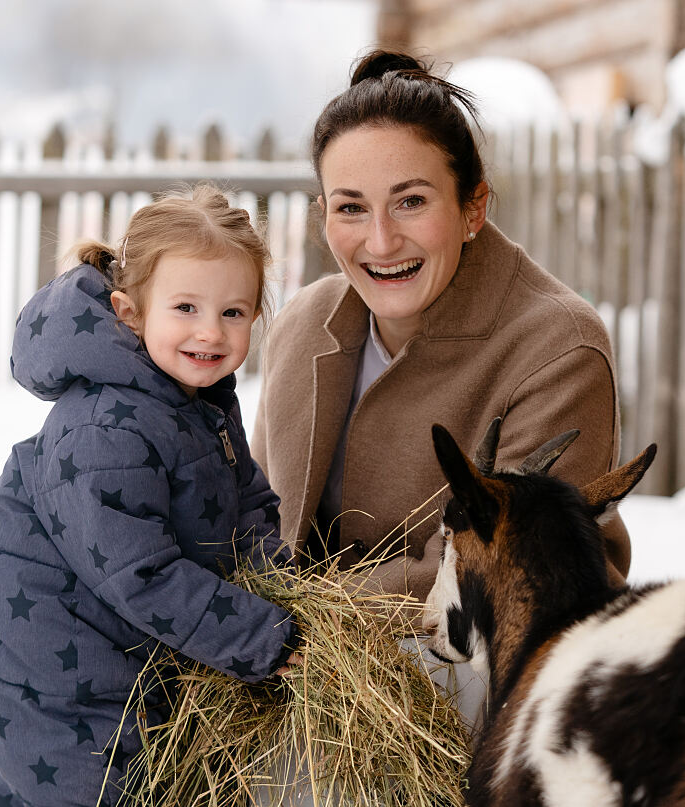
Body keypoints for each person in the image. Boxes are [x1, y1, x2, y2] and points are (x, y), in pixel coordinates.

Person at [253, 49, 630, 610]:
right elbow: (252, 516)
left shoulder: (558, 348)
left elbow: (504, 563)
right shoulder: (303, 324)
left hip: (493, 670)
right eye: (351, 208)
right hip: (291, 663)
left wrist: (293, 609)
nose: (380, 242)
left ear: (472, 208)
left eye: (410, 201)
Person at [0, 184, 300, 807]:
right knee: (94, 789)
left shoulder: (198, 399)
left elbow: (246, 503)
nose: (211, 331)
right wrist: (262, 636)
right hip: (62, 680)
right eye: (186, 307)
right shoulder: (105, 426)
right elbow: (139, 574)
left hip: (125, 663)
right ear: (129, 311)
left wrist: (280, 583)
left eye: (233, 312)